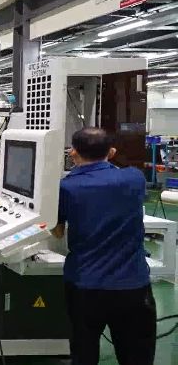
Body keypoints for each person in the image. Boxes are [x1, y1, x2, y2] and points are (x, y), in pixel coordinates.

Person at [51, 128, 155, 365]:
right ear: (112, 152)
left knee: (84, 353)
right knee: (137, 356)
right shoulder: (135, 179)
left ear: (73, 153)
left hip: (85, 285)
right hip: (132, 286)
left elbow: (57, 232)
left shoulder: (66, 187)